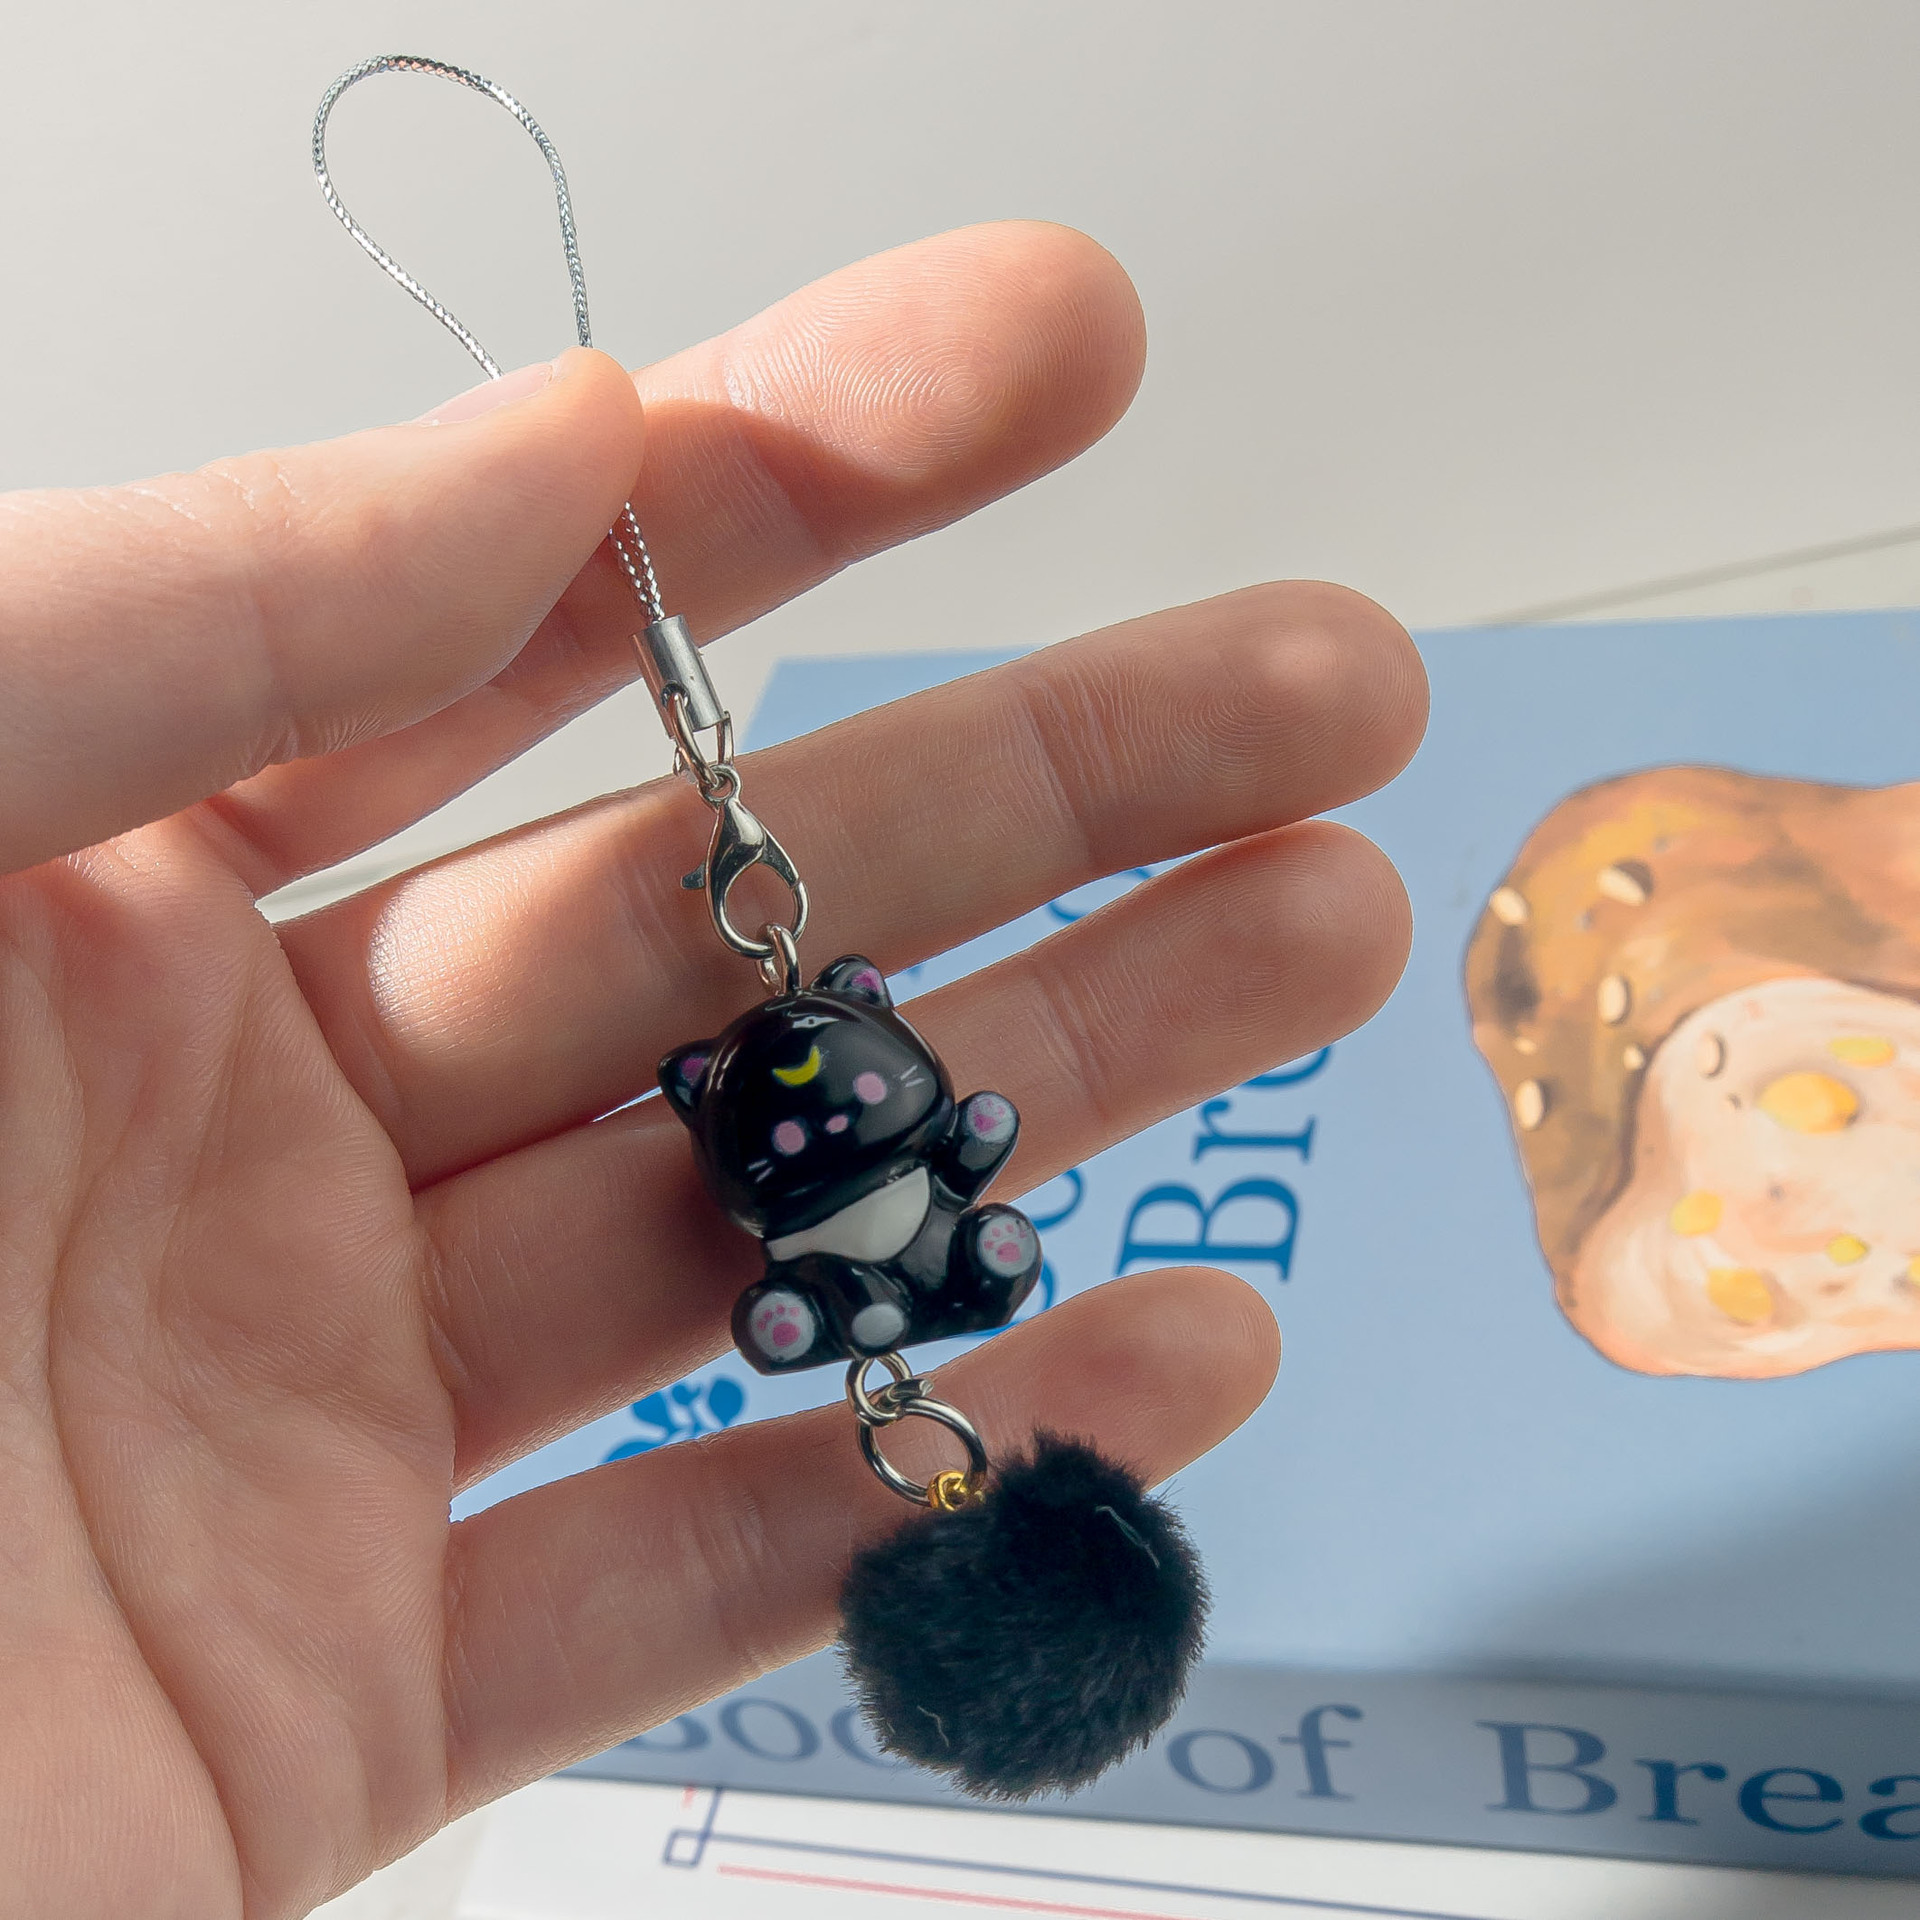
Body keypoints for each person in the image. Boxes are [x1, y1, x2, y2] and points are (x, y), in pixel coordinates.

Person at [0, 221, 1425, 1918]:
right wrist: (912, 1189)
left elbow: (959, 1142)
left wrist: (947, 1165)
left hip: (869, 1256)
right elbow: (934, 1147)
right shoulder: (772, 1095)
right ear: (711, 1088)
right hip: (844, 1263)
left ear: (856, 1003)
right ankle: (884, 1284)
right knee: (932, 1264)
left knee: (964, 1257)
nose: (825, 1092)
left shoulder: (818, 1081)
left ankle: (900, 1279)